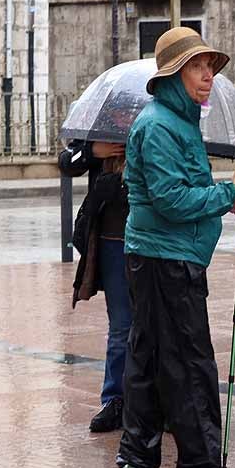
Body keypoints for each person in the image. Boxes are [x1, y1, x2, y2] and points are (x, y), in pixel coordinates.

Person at [115, 26, 235, 468]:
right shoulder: (159, 125)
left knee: (150, 362)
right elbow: (172, 199)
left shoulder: (175, 123)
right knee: (191, 367)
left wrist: (226, 200)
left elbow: (180, 189)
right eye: (198, 68)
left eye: (210, 69)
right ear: (174, 75)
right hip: (166, 260)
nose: (208, 78)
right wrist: (227, 194)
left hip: (164, 257)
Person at [59, 138, 131, 433]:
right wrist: (93, 152)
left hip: (156, 237)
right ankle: (115, 399)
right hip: (112, 240)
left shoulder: (160, 119)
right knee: (121, 326)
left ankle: (155, 402)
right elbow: (66, 162)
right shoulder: (103, 124)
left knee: (157, 325)